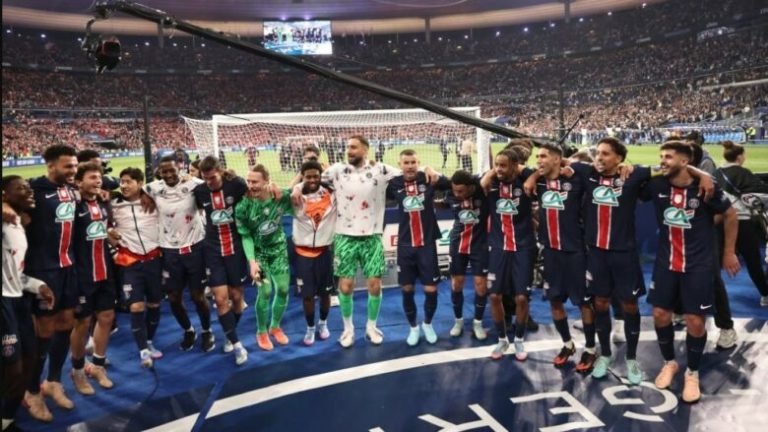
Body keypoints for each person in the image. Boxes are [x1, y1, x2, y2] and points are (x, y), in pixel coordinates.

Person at [568, 137, 713, 385]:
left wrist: (703, 175)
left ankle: (632, 358)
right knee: (600, 302)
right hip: (596, 253)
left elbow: (672, 168)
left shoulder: (634, 175)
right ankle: (605, 354)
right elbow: (559, 162)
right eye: (598, 153)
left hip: (624, 253)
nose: (599, 158)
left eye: (605, 154)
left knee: (630, 304)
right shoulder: (587, 172)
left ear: (619, 158)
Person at [643, 141, 740, 403]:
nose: (662, 160)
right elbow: (634, 175)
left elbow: (731, 215)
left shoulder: (705, 188)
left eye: (668, 157)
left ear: (685, 161)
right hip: (666, 263)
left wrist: (729, 252)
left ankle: (692, 373)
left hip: (698, 265)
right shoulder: (657, 185)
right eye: (661, 156)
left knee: (695, 320)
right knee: (660, 314)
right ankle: (670, 363)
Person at [23, 145, 80, 421]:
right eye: (68, 166)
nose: (73, 171)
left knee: (67, 323)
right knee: (44, 330)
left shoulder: (71, 189)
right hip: (43, 270)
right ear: (51, 166)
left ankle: (53, 382)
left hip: (69, 267)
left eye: (75, 166)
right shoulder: (33, 189)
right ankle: (32, 390)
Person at [533, 144, 597, 372]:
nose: (538, 160)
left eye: (543, 156)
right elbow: (513, 168)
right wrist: (532, 176)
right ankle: (567, 344)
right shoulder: (539, 182)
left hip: (576, 251)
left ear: (557, 159)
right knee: (554, 300)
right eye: (537, 156)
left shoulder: (576, 179)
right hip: (551, 252)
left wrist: (572, 165)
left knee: (584, 302)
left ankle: (590, 348)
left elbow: (595, 169)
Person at [144, 155, 214, 353]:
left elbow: (216, 180)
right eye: (164, 171)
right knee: (174, 297)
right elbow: (136, 190)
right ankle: (188, 330)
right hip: (169, 252)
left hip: (195, 248)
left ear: (180, 169)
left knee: (198, 296)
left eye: (172, 170)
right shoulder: (153, 188)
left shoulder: (194, 184)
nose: (168, 174)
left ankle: (207, 330)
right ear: (159, 172)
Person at [1, 175, 55, 430]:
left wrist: (37, 285)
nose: (29, 191)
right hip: (3, 302)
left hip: (18, 300)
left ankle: (7, 418)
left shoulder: (17, 225)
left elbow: (14, 272)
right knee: (12, 368)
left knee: (29, 361)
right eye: (21, 188)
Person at [387, 150, 450, 346]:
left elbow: (450, 184)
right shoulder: (394, 184)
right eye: (406, 162)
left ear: (418, 163)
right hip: (405, 245)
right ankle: (413, 327)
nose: (410, 166)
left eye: (413, 162)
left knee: (431, 289)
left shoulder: (427, 179)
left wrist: (431, 170)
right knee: (407, 289)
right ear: (400, 164)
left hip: (426, 245)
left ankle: (428, 324)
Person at [480, 148, 536, 361]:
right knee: (494, 295)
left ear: (515, 166)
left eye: (503, 165)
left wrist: (530, 174)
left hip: (523, 248)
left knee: (521, 297)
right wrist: (490, 173)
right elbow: (481, 183)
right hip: (498, 247)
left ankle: (519, 339)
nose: (499, 169)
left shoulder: (526, 183)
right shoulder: (491, 183)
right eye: (497, 165)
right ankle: (502, 339)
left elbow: (540, 172)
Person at [194, 156, 249, 365]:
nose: (209, 182)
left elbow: (254, 197)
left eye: (213, 178)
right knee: (220, 300)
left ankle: (229, 332)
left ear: (220, 171)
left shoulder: (236, 185)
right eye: (205, 178)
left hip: (236, 249)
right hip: (212, 251)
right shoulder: (200, 191)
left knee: (237, 297)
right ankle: (237, 344)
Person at [69, 162, 116, 395]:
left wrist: (110, 234)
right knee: (83, 323)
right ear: (79, 182)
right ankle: (77, 371)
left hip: (105, 270)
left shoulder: (104, 202)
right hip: (82, 273)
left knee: (106, 317)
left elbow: (103, 230)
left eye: (99, 178)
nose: (98, 181)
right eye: (92, 178)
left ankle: (97, 366)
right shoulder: (72, 205)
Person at [109, 168, 164, 368]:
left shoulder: (153, 200)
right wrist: (110, 237)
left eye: (128, 181)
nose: (123, 185)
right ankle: (143, 351)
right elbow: (101, 224)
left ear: (140, 183)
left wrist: (147, 193)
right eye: (121, 181)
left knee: (154, 304)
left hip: (154, 259)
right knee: (136, 306)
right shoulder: (113, 204)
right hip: (130, 262)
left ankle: (149, 341)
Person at [235, 165, 293, 351]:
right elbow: (245, 236)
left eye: (255, 181)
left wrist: (296, 191)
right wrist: (252, 262)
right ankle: (261, 331)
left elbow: (296, 196)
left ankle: (275, 326)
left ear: (267, 181)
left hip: (279, 251)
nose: (251, 185)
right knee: (265, 292)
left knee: (283, 289)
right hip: (259, 255)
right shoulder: (243, 206)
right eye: (248, 181)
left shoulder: (279, 197)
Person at [715, 141, 768, 306]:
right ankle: (765, 294)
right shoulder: (743, 173)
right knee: (753, 261)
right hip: (743, 221)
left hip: (719, 222)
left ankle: (706, 297)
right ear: (739, 157)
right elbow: (763, 192)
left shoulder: (715, 173)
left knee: (713, 263)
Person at [292, 161, 336, 345]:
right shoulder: (295, 197)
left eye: (315, 176)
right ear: (302, 177)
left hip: (324, 252)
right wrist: (296, 187)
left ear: (320, 176)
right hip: (303, 254)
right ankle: (310, 328)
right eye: (308, 177)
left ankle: (323, 324)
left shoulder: (332, 194)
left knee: (326, 294)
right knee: (307, 296)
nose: (312, 180)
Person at [444, 170, 489, 340]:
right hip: (458, 244)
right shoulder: (450, 195)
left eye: (461, 191)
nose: (457, 194)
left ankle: (478, 323)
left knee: (481, 285)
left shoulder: (482, 190)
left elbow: (491, 173)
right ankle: (458, 321)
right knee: (457, 285)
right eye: (455, 190)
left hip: (480, 245)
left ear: (470, 187)